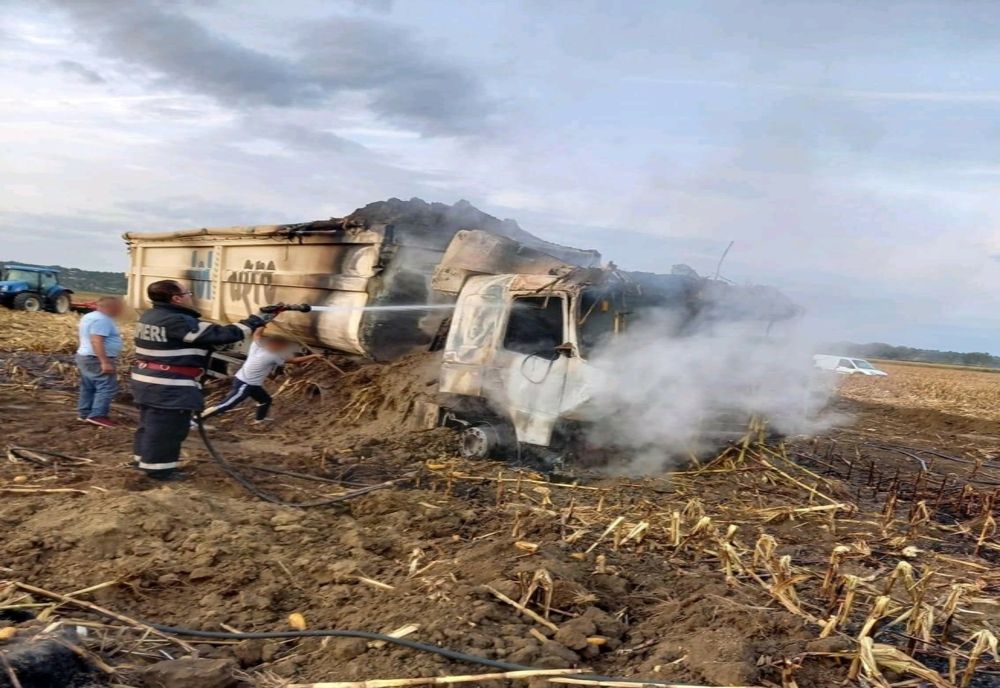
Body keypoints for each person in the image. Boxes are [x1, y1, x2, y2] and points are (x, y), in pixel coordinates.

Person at [131, 280, 269, 481]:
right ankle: (159, 470)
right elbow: (225, 334)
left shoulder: (150, 316)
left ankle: (142, 460)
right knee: (168, 428)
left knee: (150, 423)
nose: (190, 296)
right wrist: (256, 320)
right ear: (176, 298)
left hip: (149, 382)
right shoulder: (177, 321)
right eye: (187, 293)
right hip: (169, 384)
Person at [201, 327, 321, 423]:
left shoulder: (257, 346)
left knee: (265, 400)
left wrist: (262, 324)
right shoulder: (272, 356)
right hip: (245, 383)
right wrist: (314, 356)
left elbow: (256, 335)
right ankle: (197, 420)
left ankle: (259, 420)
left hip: (248, 382)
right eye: (281, 346)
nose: (283, 348)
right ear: (275, 345)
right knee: (228, 404)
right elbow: (295, 361)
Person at [76, 296, 124, 427]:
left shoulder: (90, 316)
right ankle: (98, 415)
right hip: (96, 358)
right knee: (106, 387)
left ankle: (84, 413)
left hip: (86, 356)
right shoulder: (102, 320)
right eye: (119, 308)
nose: (120, 311)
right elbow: (97, 340)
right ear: (110, 307)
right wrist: (105, 361)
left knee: (88, 387)